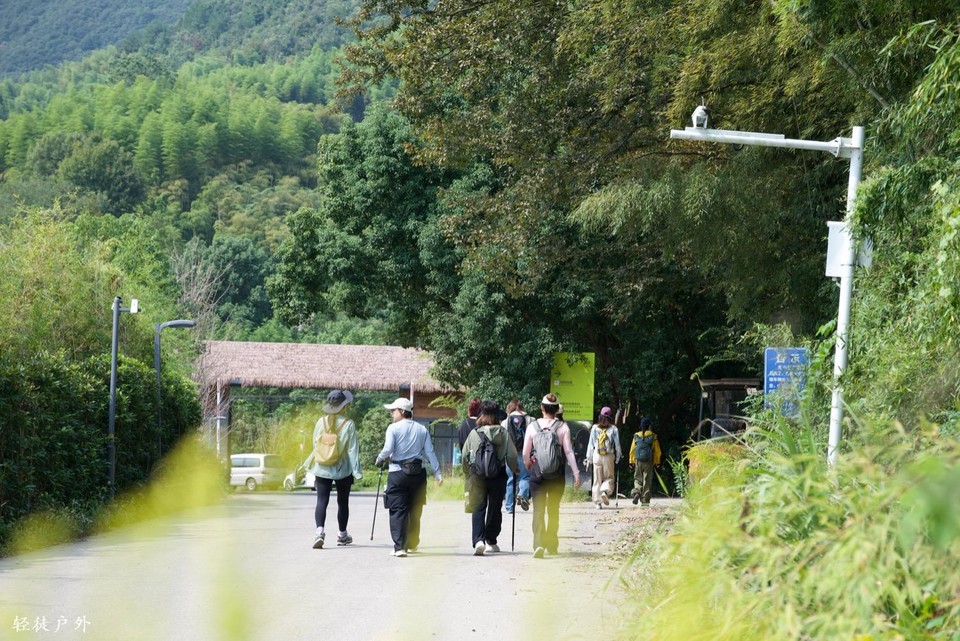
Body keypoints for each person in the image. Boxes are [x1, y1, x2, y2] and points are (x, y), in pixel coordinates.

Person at [376, 397, 444, 557]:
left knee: (398, 509)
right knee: (415, 509)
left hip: (397, 473)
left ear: (402, 411)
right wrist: (438, 473)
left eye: (393, 410)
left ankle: (400, 547)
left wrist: (379, 458)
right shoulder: (422, 429)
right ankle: (412, 544)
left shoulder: (392, 428)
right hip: (418, 474)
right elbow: (430, 452)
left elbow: (388, 449)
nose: (391, 413)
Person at [523, 393, 581, 558]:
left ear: (542, 408)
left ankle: (538, 544)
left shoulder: (532, 427)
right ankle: (552, 544)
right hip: (557, 476)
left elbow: (526, 452)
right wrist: (576, 474)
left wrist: (528, 464)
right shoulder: (563, 427)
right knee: (553, 509)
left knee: (538, 510)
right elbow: (568, 452)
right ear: (556, 410)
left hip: (537, 474)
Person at [461, 401, 518, 555]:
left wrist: (467, 473)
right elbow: (512, 455)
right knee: (494, 508)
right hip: (497, 475)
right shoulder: (503, 433)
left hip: (477, 475)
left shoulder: (474, 433)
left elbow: (465, 455)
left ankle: (479, 540)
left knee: (478, 507)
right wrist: (515, 469)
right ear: (496, 416)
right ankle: (491, 541)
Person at [309, 389, 362, 549]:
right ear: (343, 407)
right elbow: (352, 450)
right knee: (343, 502)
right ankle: (342, 535)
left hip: (322, 466)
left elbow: (315, 443)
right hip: (342, 468)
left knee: (321, 500)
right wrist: (357, 471)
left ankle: (319, 533)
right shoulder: (349, 424)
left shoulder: (321, 422)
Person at [584, 406, 622, 509]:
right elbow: (617, 446)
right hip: (608, 456)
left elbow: (590, 445)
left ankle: (597, 503)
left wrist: (588, 458)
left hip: (597, 455)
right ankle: (605, 491)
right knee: (609, 477)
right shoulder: (614, 429)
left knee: (597, 479)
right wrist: (618, 458)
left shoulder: (594, 428)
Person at [501, 398, 534, 514]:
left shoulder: (505, 422)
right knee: (525, 477)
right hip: (524, 452)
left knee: (510, 480)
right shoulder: (530, 420)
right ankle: (521, 494)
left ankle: (509, 507)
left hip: (509, 453)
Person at [629, 416, 661, 506]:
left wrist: (631, 461)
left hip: (638, 461)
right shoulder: (653, 436)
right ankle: (645, 500)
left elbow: (632, 449)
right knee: (647, 480)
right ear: (649, 426)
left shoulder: (636, 436)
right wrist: (657, 462)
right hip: (648, 461)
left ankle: (637, 492)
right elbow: (657, 451)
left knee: (637, 478)